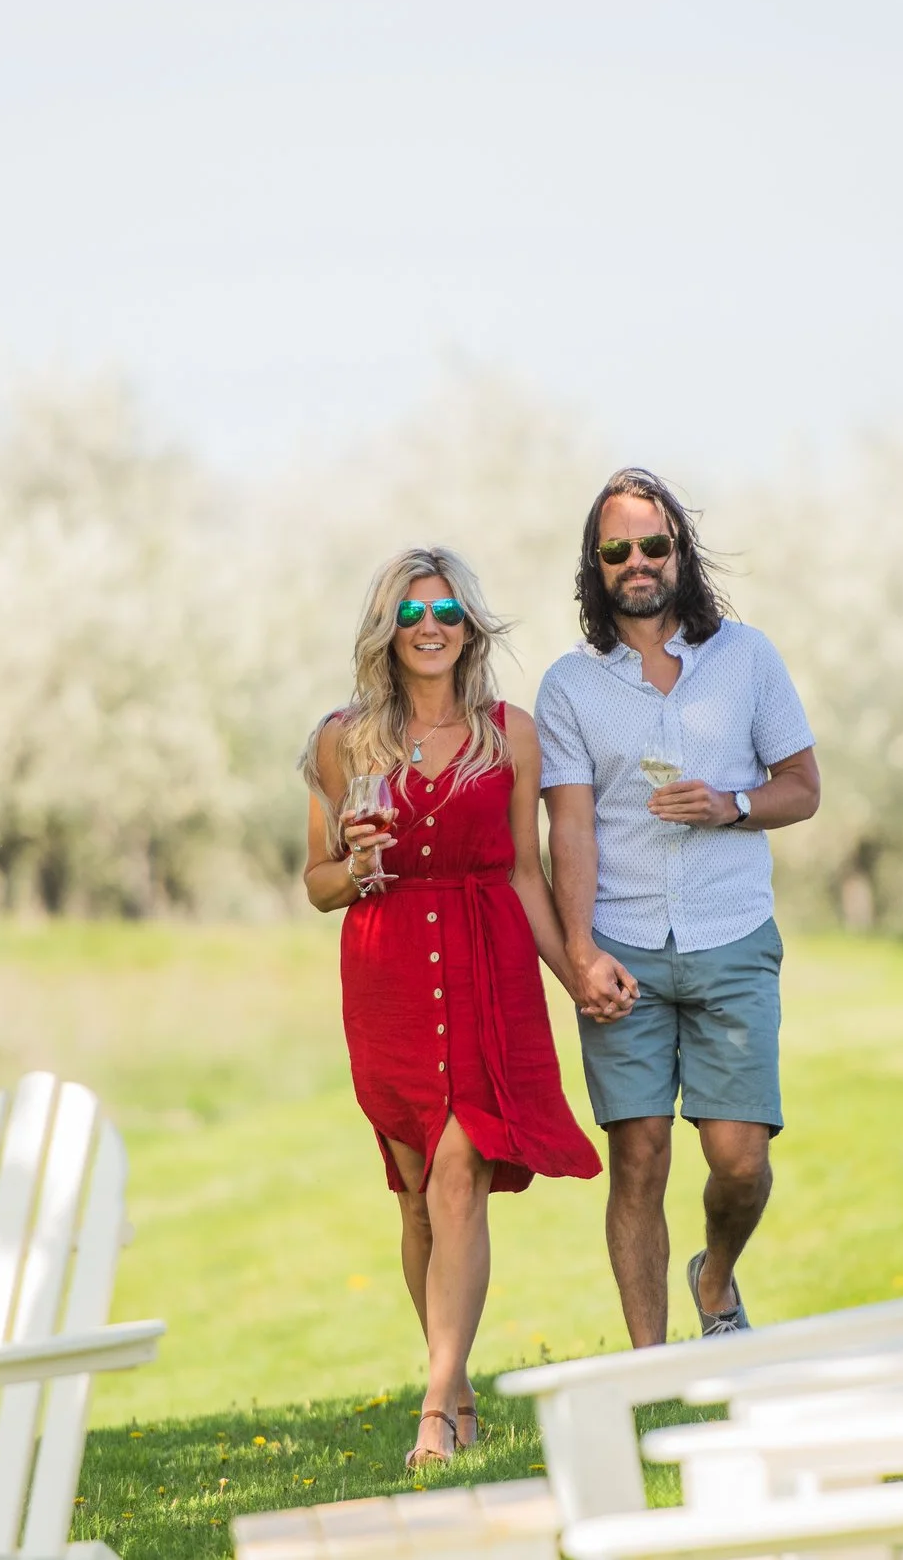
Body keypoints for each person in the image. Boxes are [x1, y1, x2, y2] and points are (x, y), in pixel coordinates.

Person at [300, 546, 604, 1468]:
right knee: (417, 1200)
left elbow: (525, 872)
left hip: (486, 969)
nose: (428, 626)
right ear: (386, 629)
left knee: (460, 1171)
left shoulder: (509, 735)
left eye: (445, 611)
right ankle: (458, 1380)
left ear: (469, 626)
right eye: (410, 612)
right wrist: (358, 863)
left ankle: (434, 1407)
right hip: (387, 976)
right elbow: (317, 884)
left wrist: (576, 971)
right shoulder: (342, 740)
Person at [537, 468, 821, 1346]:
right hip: (622, 945)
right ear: (595, 566)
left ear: (680, 551)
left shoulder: (748, 658)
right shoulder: (570, 686)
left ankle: (716, 1275)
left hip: (731, 936)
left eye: (653, 544)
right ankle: (652, 1372)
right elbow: (569, 828)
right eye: (616, 549)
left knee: (740, 1160)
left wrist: (731, 804)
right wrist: (579, 952)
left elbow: (803, 786)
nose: (637, 561)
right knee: (638, 1156)